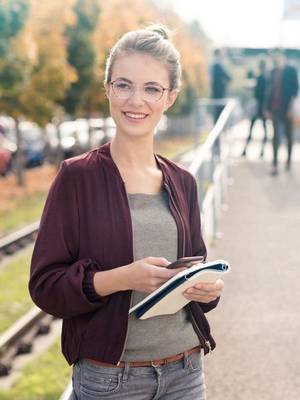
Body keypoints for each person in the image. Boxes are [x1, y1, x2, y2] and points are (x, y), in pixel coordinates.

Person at [29, 25, 224, 400]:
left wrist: (206, 288)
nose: (136, 100)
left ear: (170, 98)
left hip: (185, 371)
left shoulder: (183, 181)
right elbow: (45, 287)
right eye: (124, 84)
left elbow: (192, 267)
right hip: (110, 381)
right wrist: (121, 278)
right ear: (107, 90)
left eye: (152, 88)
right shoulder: (76, 177)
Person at [266, 49, 299, 175]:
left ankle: (288, 162)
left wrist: (291, 108)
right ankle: (274, 164)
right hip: (275, 108)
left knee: (288, 136)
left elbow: (295, 90)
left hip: (287, 108)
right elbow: (269, 91)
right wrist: (266, 107)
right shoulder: (273, 71)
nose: (276, 58)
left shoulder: (291, 70)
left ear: (282, 56)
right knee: (275, 137)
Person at [242, 58, 268, 158]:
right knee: (259, 129)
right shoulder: (264, 78)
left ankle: (256, 151)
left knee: (254, 129)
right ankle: (260, 152)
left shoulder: (261, 78)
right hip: (261, 106)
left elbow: (260, 92)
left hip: (261, 106)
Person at [210, 48, 231, 122]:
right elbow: (227, 77)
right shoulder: (217, 65)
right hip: (219, 93)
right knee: (219, 112)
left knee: (217, 112)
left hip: (215, 92)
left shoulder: (213, 65)